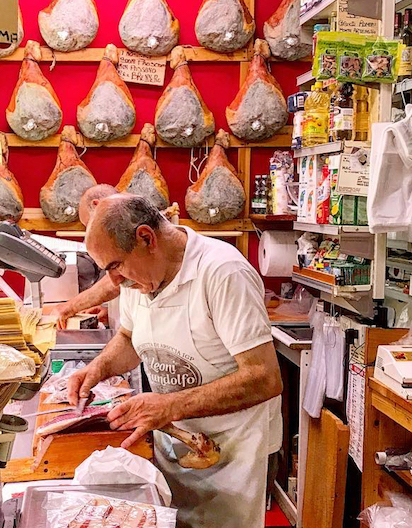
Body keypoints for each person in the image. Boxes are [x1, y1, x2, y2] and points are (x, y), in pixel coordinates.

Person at [68, 194, 282, 528]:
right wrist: (98, 368)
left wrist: (169, 406)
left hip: (231, 458)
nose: (114, 282)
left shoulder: (223, 272)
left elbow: (265, 377)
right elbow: (128, 338)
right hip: (171, 446)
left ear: (146, 238)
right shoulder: (137, 281)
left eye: (115, 266)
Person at [53, 184, 121, 328]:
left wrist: (70, 307)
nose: (89, 232)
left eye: (89, 225)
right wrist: (111, 312)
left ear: (97, 206)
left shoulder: (127, 231)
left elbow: (116, 281)